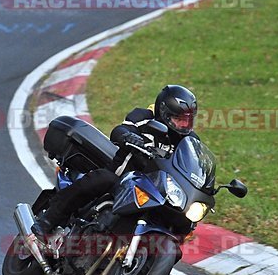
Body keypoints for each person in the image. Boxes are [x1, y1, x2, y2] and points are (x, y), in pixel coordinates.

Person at [32, 84, 199, 236]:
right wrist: (129, 136)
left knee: (182, 220)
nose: (184, 124)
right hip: (121, 176)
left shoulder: (188, 140)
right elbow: (121, 130)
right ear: (164, 112)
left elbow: (194, 163)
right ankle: (49, 219)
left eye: (187, 120)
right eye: (179, 119)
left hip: (151, 188)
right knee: (103, 179)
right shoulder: (144, 117)